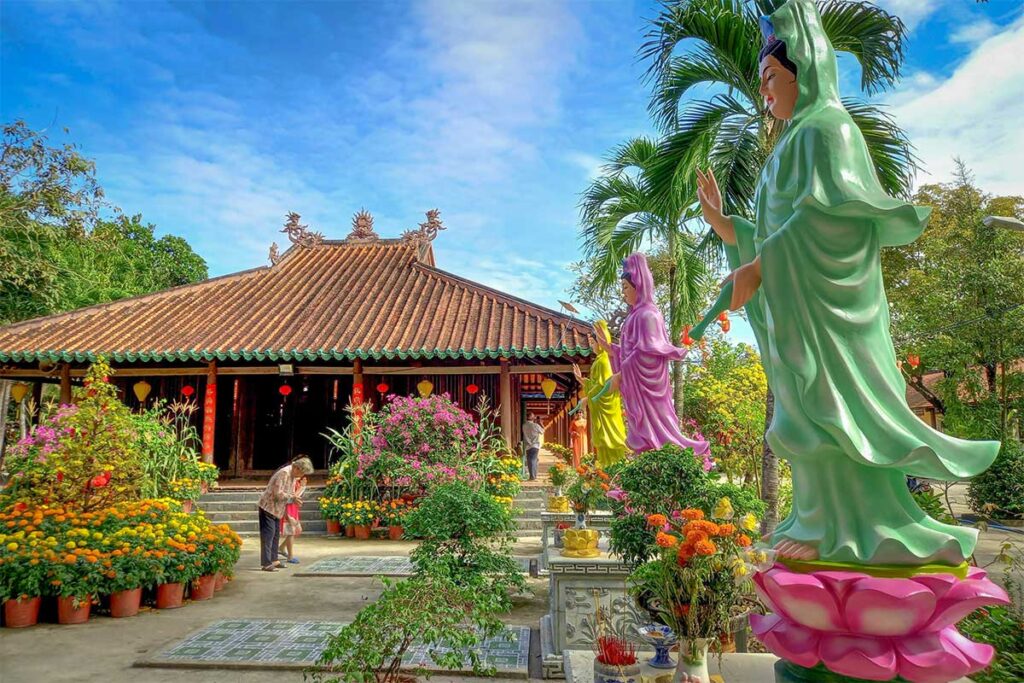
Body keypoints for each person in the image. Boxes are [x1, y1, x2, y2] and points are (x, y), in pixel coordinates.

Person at [696, 0, 998, 566]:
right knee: (804, 414)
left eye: (770, 78)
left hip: (830, 317)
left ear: (803, 72)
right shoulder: (789, 143)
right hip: (797, 314)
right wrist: (724, 227)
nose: (765, 92)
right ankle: (817, 517)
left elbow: (828, 218)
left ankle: (852, 526)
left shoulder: (828, 130)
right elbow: (771, 226)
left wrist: (760, 268)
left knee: (834, 411)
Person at [593, 253, 709, 456]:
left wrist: (621, 374)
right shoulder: (634, 316)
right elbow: (631, 350)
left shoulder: (648, 315)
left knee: (658, 431)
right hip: (637, 388)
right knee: (641, 432)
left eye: (626, 288)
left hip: (650, 390)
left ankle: (667, 456)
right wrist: (612, 349)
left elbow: (648, 354)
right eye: (622, 289)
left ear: (639, 285)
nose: (624, 294)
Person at [572, 320, 627, 468]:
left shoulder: (604, 361)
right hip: (600, 412)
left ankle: (613, 469)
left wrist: (587, 398)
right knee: (602, 444)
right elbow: (595, 384)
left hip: (606, 411)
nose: (593, 345)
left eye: (595, 342)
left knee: (609, 441)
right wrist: (581, 380)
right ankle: (606, 469)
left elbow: (606, 386)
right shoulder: (599, 361)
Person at [258, 455, 314, 572]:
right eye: (302, 473)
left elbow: (291, 494)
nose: (302, 476)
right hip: (268, 507)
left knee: (275, 535)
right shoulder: (284, 473)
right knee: (268, 535)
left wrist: (295, 497)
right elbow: (277, 494)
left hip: (278, 509)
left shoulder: (293, 477)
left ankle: (274, 560)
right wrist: (292, 498)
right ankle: (266, 563)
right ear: (297, 468)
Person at [278, 472, 307, 564]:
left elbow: (296, 497)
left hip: (294, 508)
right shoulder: (288, 481)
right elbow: (291, 497)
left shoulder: (296, 481)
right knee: (291, 532)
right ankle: (290, 556)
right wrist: (302, 487)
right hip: (288, 508)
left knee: (297, 530)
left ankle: (281, 548)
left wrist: (302, 487)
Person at [522, 413, 549, 480]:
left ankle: (531, 476)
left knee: (529, 461)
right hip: (535, 445)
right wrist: (541, 423)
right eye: (533, 416)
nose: (534, 417)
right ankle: (533, 476)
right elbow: (543, 431)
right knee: (534, 460)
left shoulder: (524, 425)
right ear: (531, 417)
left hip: (528, 445)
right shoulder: (536, 425)